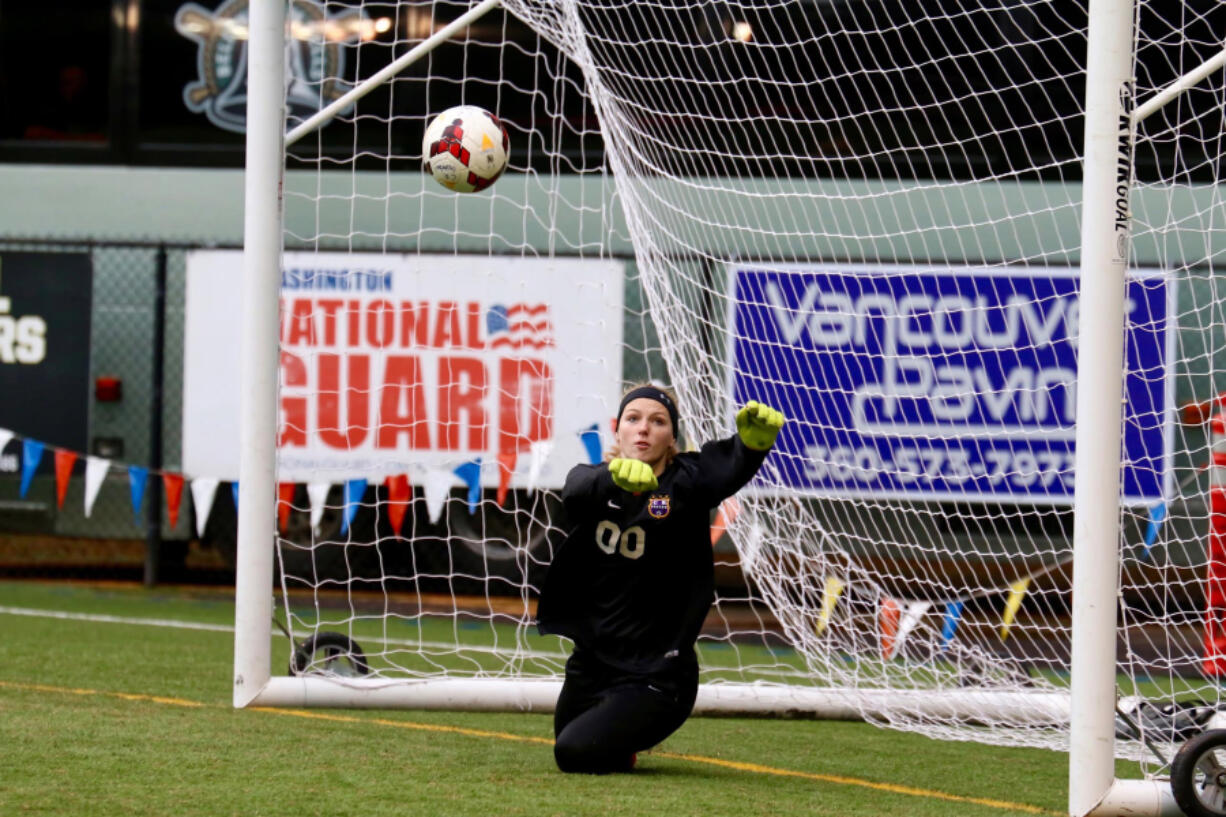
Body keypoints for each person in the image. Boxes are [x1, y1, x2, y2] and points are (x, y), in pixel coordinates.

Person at [536, 383, 785, 773]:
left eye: (658, 421)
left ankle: (637, 721)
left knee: (573, 753)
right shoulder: (595, 480)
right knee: (572, 741)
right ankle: (621, 740)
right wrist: (613, 481)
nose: (644, 429)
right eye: (634, 419)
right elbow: (575, 491)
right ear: (617, 430)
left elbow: (723, 470)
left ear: (673, 436)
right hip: (592, 664)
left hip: (657, 676)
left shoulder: (689, 481)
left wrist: (750, 450)